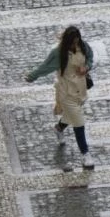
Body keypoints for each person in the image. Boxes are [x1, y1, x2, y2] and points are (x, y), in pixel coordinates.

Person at [25, 26, 95, 171]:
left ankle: (59, 128)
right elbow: (45, 67)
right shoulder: (57, 53)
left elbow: (90, 57)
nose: (75, 45)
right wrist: (32, 76)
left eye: (77, 41)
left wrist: (86, 67)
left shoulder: (83, 46)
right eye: (73, 42)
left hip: (80, 90)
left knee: (71, 116)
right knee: (78, 122)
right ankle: (85, 153)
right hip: (66, 92)